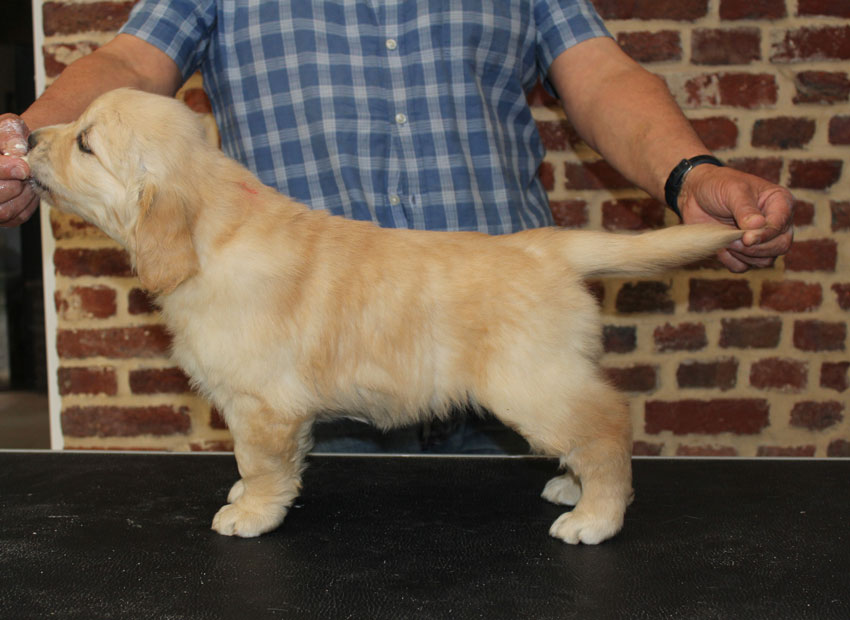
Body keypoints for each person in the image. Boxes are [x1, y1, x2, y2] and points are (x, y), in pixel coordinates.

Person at [0, 1, 793, 452]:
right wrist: (24, 146)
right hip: (310, 360)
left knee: (537, 580)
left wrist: (693, 173)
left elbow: (599, 74)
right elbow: (133, 63)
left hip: (492, 321)